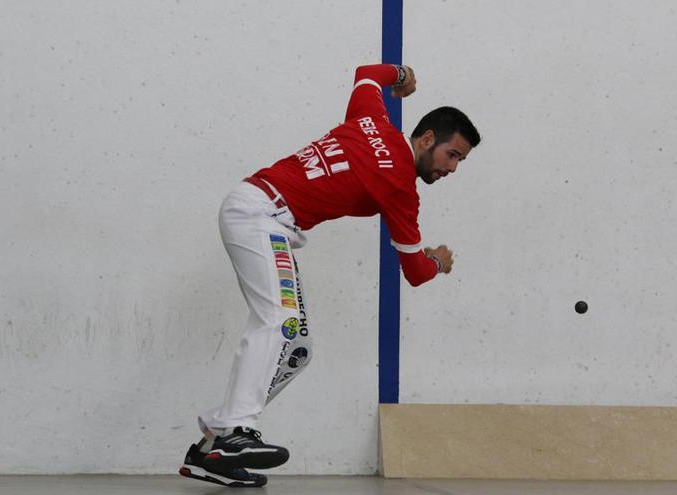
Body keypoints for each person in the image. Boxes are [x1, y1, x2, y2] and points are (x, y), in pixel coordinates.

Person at [178, 63, 480, 487]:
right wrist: (438, 261)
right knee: (280, 323)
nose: (453, 169)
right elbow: (414, 272)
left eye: (461, 161)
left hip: (263, 216)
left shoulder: (372, 119)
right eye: (453, 155)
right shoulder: (399, 186)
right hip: (260, 215)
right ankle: (231, 434)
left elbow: (367, 76)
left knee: (296, 347)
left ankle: (212, 447)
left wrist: (401, 74)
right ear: (427, 139)